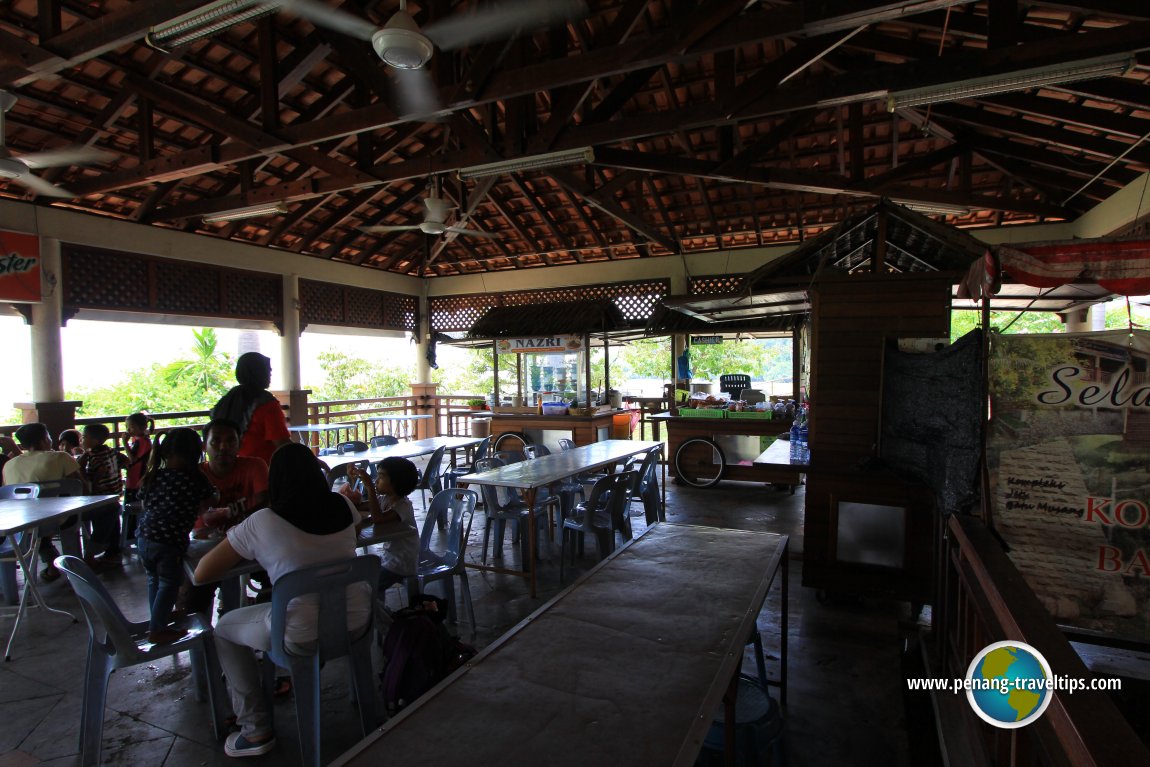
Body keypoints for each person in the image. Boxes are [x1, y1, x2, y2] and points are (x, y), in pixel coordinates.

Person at [195, 443, 370, 758]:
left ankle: (255, 728)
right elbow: (355, 530)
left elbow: (202, 572)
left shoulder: (262, 521)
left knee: (224, 628)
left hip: (299, 635)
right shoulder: (343, 506)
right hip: (356, 622)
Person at [177, 418, 269, 617]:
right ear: (204, 446)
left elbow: (265, 502)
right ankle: (203, 640)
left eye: (230, 441)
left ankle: (265, 626)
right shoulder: (194, 475)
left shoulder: (254, 467)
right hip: (205, 547)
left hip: (250, 544)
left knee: (278, 575)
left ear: (239, 444)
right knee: (193, 594)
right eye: (216, 441)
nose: (223, 447)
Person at [137, 428, 218, 644]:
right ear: (196, 454)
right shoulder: (194, 478)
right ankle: (157, 630)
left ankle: (158, 617)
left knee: (154, 579)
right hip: (169, 541)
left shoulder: (154, 475)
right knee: (169, 583)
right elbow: (211, 500)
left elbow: (144, 504)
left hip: (144, 537)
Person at [2, 422, 86, 582]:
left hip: (21, 523)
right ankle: (95, 557)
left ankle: (51, 565)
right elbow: (81, 487)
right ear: (43, 440)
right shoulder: (61, 456)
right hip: (59, 519)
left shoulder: (9, 464)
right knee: (110, 509)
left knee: (34, 526)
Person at [347, 457, 419, 595]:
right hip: (390, 559)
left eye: (381, 477)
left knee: (366, 585)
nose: (376, 481)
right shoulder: (384, 499)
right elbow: (357, 506)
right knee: (362, 575)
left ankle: (377, 613)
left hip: (402, 563)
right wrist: (353, 481)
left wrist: (369, 487)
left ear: (396, 482)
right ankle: (377, 609)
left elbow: (377, 518)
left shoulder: (403, 505)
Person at [211, 352, 290, 467]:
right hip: (261, 469)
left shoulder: (227, 399)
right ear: (259, 372)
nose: (271, 374)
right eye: (268, 370)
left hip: (229, 467)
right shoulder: (267, 403)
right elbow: (283, 444)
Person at [75, 423, 129, 567]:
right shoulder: (110, 451)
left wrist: (93, 482)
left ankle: (96, 552)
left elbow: (96, 473)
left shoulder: (94, 456)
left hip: (101, 495)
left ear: (94, 441)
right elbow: (126, 461)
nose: (82, 439)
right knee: (114, 522)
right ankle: (113, 552)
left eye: (84, 437)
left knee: (101, 523)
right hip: (114, 493)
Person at [122, 412, 152, 504]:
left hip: (138, 477)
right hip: (135, 475)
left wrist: (125, 443)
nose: (128, 429)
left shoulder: (142, 441)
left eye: (131, 426)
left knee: (133, 505)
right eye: (127, 427)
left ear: (142, 427)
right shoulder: (137, 439)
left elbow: (133, 459)